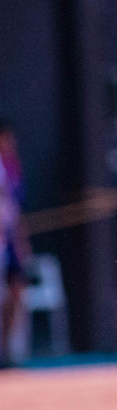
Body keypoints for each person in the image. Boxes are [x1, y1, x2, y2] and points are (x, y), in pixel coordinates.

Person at [0, 121, 30, 369]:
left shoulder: (12, 166)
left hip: (8, 240)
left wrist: (21, 243)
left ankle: (5, 348)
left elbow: (15, 211)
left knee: (16, 288)